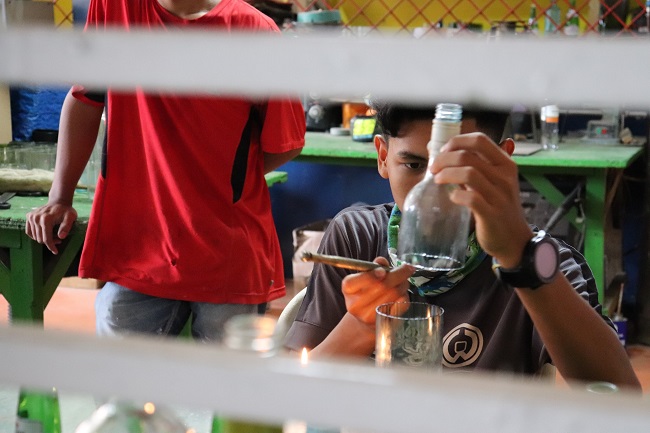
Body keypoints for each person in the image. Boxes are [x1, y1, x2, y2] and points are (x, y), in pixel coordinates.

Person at [284, 102, 641, 390]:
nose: (435, 195)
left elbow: (618, 396)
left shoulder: (544, 265)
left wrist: (520, 257)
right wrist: (361, 326)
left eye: (458, 168)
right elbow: (293, 390)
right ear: (383, 156)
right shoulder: (356, 238)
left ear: (502, 163)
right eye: (413, 165)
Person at [25, 0, 306, 341]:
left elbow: (286, 143)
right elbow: (85, 98)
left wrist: (219, 177)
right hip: (139, 249)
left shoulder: (254, 32)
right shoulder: (116, 8)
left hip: (226, 254)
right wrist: (60, 197)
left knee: (221, 374)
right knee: (121, 366)